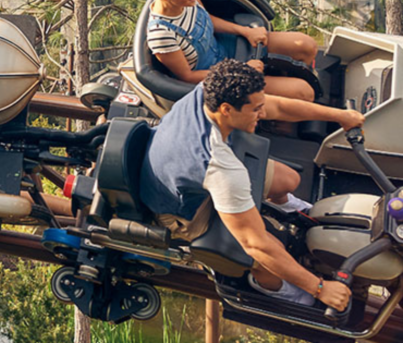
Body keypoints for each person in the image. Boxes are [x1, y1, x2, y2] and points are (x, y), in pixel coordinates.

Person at [139, 60, 363, 309]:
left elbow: (275, 106)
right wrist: (320, 289)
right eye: (255, 110)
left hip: (189, 170)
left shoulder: (210, 89)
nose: (263, 114)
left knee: (289, 180)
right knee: (266, 251)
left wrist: (339, 116)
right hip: (181, 211)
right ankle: (285, 292)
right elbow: (255, 244)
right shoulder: (220, 167)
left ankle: (291, 211)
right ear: (226, 109)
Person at [141, 0, 319, 101]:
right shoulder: (161, 35)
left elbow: (206, 19)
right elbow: (186, 77)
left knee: (305, 45)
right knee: (303, 92)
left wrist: (245, 31)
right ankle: (280, 126)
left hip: (225, 45)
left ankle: (282, 83)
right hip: (214, 74)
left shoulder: (186, 0)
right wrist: (240, 71)